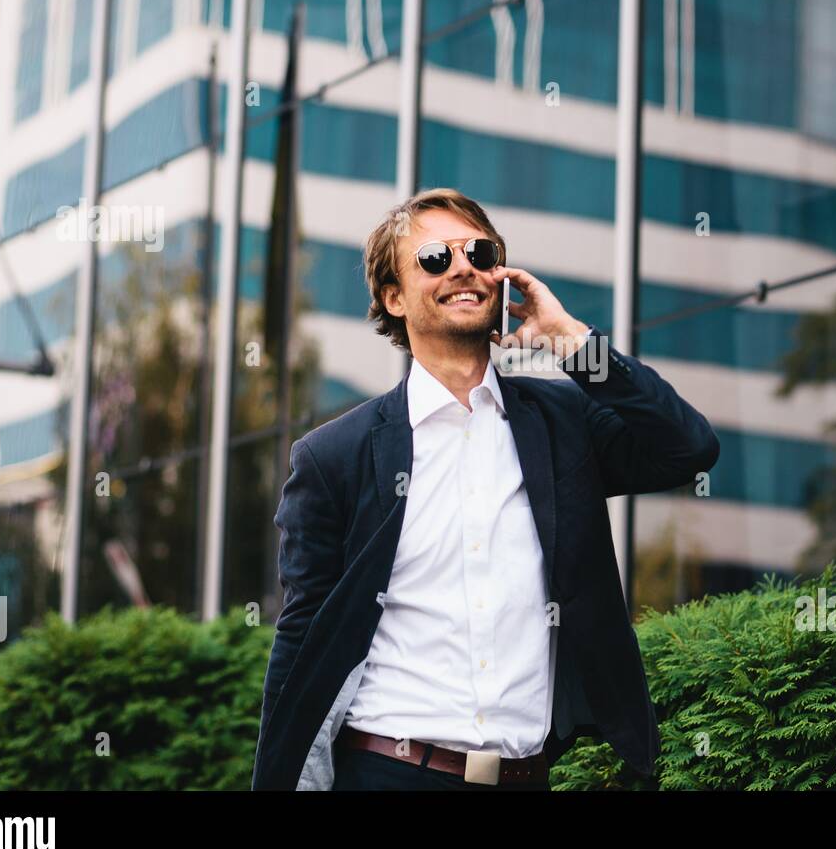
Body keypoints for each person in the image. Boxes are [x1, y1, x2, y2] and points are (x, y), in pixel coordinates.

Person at [251, 188, 720, 790]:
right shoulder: (334, 457)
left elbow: (687, 447)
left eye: (479, 251)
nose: (463, 267)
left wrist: (572, 341)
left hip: (525, 777)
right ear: (393, 298)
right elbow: (300, 638)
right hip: (388, 771)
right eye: (434, 259)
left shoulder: (561, 424)